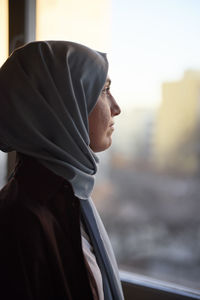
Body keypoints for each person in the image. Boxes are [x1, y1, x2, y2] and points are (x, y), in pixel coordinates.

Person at [0, 41, 124, 300]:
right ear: (59, 105)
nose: (116, 108)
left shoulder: (69, 195)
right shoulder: (20, 223)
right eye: (104, 90)